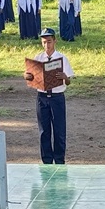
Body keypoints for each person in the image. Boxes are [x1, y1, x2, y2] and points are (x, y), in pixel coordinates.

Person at [25, 27, 74, 164]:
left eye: (49, 42)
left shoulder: (62, 58)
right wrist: (27, 76)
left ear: (55, 41)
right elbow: (30, 76)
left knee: (59, 131)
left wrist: (65, 77)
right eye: (44, 42)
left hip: (57, 97)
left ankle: (59, 160)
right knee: (44, 131)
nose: (47, 45)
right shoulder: (38, 58)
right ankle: (46, 160)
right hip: (42, 97)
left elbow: (69, 81)